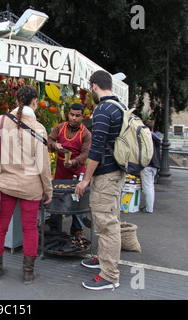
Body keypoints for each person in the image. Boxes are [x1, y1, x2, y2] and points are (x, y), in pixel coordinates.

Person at [0, 85, 53, 284]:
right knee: (30, 228)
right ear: (34, 102)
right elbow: (44, 165)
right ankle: (28, 272)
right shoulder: (38, 128)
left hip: (6, 183)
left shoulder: (1, 121)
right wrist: (48, 189)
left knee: (0, 225)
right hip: (31, 187)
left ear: (16, 101)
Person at [75, 70, 126, 291]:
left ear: (94, 86)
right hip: (116, 172)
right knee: (109, 219)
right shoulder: (120, 106)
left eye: (89, 87)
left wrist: (85, 179)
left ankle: (109, 275)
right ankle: (104, 261)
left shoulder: (103, 110)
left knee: (106, 225)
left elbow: (96, 149)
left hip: (106, 175)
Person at [47, 103, 91, 237]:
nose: (74, 118)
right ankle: (54, 226)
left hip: (77, 171)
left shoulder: (86, 134)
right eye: (72, 114)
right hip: (61, 170)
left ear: (82, 117)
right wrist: (54, 144)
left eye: (77, 116)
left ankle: (77, 229)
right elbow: (49, 140)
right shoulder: (60, 128)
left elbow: (85, 154)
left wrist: (73, 162)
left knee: (77, 198)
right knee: (57, 197)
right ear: (68, 114)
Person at [140, 120, 161, 213]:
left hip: (148, 165)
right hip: (155, 165)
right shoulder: (156, 137)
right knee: (151, 187)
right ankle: (149, 206)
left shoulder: (148, 137)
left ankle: (149, 208)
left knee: (147, 187)